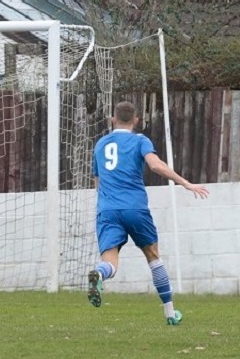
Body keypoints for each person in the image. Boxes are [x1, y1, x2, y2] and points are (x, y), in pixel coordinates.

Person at [89, 101, 209, 325]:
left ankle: (100, 273)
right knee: (153, 256)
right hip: (135, 207)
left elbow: (98, 182)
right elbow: (155, 165)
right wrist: (185, 183)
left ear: (113, 119)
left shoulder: (100, 144)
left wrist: (106, 204)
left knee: (110, 260)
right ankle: (170, 313)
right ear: (135, 121)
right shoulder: (140, 140)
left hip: (107, 209)